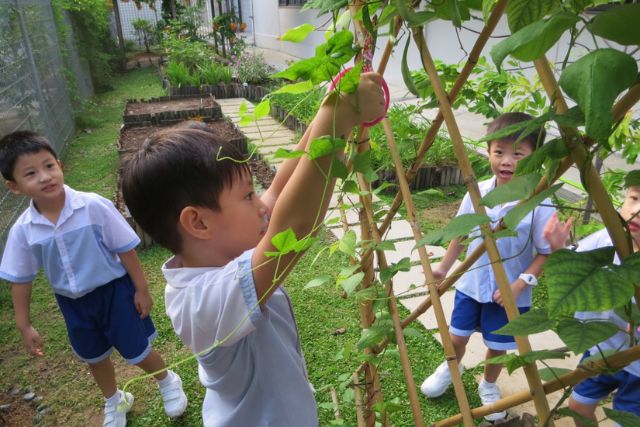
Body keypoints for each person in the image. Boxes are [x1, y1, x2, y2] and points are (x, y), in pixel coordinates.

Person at [120, 73, 386, 427]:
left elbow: (279, 192)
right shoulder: (200, 303)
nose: (262, 204)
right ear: (198, 223)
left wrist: (329, 107)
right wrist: (340, 116)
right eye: (248, 195)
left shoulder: (218, 252)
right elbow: (294, 227)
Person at [0, 131, 187, 427]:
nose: (45, 177)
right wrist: (23, 324)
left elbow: (125, 250)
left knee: (137, 350)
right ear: (15, 186)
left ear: (59, 165)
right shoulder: (24, 231)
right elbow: (20, 279)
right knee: (95, 358)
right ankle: (114, 401)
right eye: (31, 173)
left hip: (114, 294)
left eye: (49, 166)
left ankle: (166, 379)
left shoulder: (92, 207)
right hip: (73, 305)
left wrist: (141, 288)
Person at [420, 112, 555, 421]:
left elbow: (544, 253)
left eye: (518, 154)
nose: (506, 161)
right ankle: (450, 366)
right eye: (499, 152)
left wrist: (518, 285)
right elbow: (462, 231)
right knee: (457, 336)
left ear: (536, 157)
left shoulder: (539, 201)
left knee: (498, 345)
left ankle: (489, 383)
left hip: (508, 292)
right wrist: (443, 268)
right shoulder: (477, 191)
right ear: (489, 152)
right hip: (472, 284)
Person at [543, 180, 640, 425]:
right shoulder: (608, 240)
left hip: (638, 362)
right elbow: (576, 271)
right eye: (634, 199)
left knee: (626, 420)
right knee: (578, 405)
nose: (637, 211)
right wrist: (558, 250)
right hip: (603, 346)